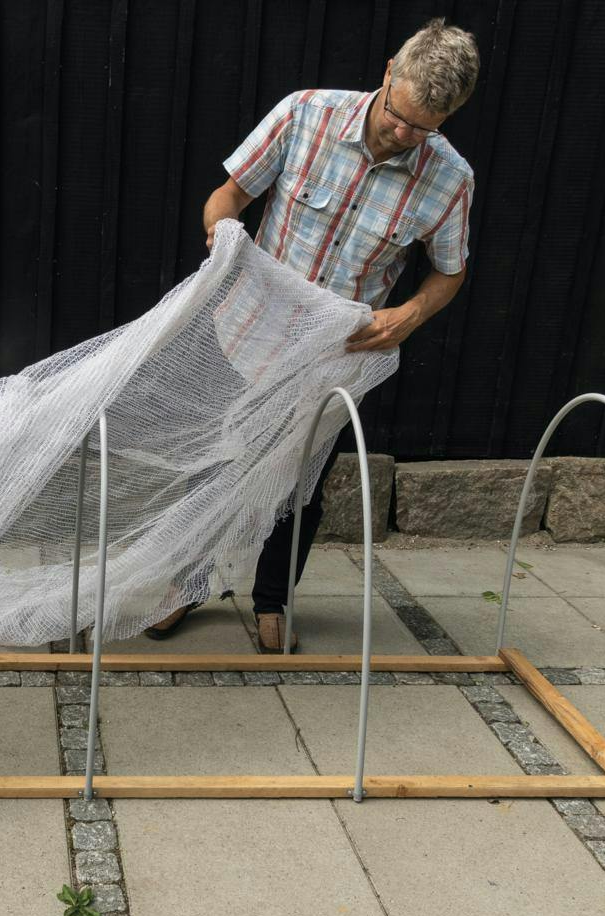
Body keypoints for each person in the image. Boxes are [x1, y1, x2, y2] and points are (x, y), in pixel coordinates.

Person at [147, 17, 480, 651]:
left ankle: (272, 601)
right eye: (397, 115)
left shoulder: (449, 179)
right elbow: (227, 197)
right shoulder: (306, 114)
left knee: (300, 483)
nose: (402, 133)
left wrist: (409, 315)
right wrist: (221, 236)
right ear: (388, 73)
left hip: (336, 356)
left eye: (423, 128)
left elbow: (450, 273)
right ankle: (183, 586)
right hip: (243, 330)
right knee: (213, 464)